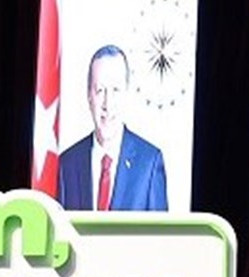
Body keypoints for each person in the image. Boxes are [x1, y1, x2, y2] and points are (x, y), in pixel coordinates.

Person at [57, 45, 168, 211]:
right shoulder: (67, 164)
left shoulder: (149, 164)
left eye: (115, 90)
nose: (107, 104)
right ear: (89, 96)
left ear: (126, 93)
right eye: (100, 90)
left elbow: (160, 236)